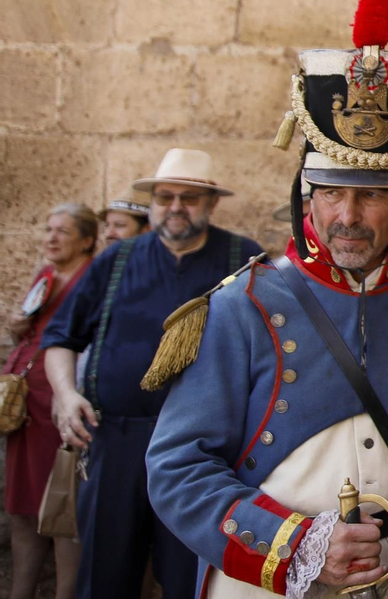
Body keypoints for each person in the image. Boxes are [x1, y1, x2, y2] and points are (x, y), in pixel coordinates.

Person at [144, 0, 388, 598]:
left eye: (371, 197)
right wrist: (296, 546)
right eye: (331, 192)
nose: (348, 216)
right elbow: (177, 469)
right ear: (307, 197)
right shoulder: (239, 306)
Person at [39, 150, 261, 599]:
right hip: (115, 442)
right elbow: (61, 338)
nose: (175, 207)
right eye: (164, 197)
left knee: (191, 579)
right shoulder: (115, 261)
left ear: (212, 204)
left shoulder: (245, 260)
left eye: (189, 198)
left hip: (207, 454)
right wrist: (65, 395)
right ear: (153, 202)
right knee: (104, 577)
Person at [5, 203, 96, 599]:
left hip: (60, 406)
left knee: (61, 509)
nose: (51, 238)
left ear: (87, 240)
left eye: (62, 231)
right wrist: (17, 326)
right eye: (48, 229)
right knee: (22, 507)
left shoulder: (91, 276)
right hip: (25, 409)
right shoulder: (45, 274)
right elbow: (29, 329)